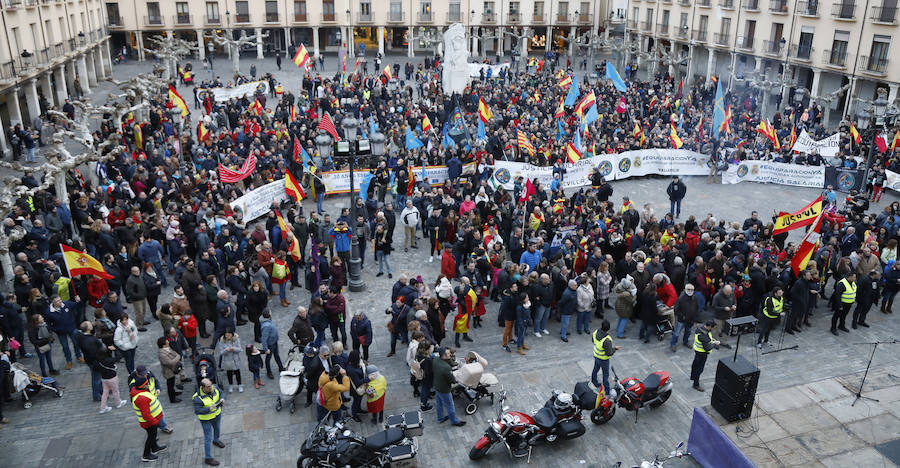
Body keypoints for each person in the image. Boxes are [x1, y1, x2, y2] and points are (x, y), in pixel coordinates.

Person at [130, 372, 167, 462]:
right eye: (146, 383)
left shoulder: (142, 392)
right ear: (143, 385)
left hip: (152, 420)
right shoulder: (141, 398)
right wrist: (155, 422)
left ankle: (154, 448)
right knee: (151, 437)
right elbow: (146, 415)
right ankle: (146, 455)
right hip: (150, 422)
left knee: (153, 436)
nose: (148, 384)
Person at [192, 378, 226, 466]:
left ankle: (216, 440)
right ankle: (208, 458)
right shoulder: (197, 398)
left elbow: (221, 392)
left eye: (211, 385)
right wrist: (208, 409)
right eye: (208, 386)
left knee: (217, 429)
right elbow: (197, 410)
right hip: (205, 419)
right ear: (202, 388)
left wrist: (222, 398)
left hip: (217, 415)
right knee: (207, 437)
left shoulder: (214, 387)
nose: (211, 388)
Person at [44, 295, 83, 369]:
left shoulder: (66, 304)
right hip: (61, 332)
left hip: (71, 328)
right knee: (65, 346)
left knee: (76, 343)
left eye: (60, 300)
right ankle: (69, 361)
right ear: (53, 302)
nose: (60, 302)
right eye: (58, 301)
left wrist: (78, 301)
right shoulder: (49, 312)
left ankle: (79, 356)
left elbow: (77, 305)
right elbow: (48, 324)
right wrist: (55, 329)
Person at [432, 347, 466, 426]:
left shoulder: (436, 359)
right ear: (443, 356)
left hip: (437, 385)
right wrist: (457, 380)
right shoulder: (446, 368)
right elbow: (452, 380)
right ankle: (454, 421)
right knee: (450, 405)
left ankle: (440, 418)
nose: (450, 354)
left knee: (439, 402)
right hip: (444, 389)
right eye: (448, 354)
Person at [96, 344, 128, 413]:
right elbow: (119, 356)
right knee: (115, 391)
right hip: (112, 378)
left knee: (105, 392)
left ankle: (103, 407)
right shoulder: (109, 360)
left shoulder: (98, 360)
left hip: (104, 378)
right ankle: (118, 403)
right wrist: (115, 349)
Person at [591, 320, 620, 395]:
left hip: (596, 356)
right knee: (605, 375)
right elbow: (609, 353)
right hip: (604, 360)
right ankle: (607, 391)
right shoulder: (607, 340)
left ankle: (594, 382)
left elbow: (593, 341)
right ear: (608, 329)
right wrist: (615, 349)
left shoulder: (595, 332)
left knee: (595, 369)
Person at [690, 320, 720, 392]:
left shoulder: (701, 329)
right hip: (701, 354)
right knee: (699, 369)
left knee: (695, 366)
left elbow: (707, 339)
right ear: (709, 326)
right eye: (712, 328)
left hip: (698, 352)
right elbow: (707, 348)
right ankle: (696, 384)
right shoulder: (703, 335)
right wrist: (715, 343)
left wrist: (711, 339)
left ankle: (693, 377)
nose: (712, 329)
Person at [672, 284, 699, 352]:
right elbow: (676, 310)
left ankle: (685, 342)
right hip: (682, 320)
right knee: (677, 333)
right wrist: (683, 316)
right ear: (685, 290)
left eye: (691, 290)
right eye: (688, 289)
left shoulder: (695, 298)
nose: (690, 291)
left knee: (688, 332)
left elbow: (696, 308)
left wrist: (694, 316)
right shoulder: (681, 298)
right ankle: (673, 344)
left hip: (690, 320)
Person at [157, 336, 184, 403]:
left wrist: (177, 357)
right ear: (163, 344)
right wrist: (177, 358)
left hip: (173, 369)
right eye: (167, 341)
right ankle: (172, 398)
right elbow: (169, 362)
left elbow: (176, 354)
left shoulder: (168, 348)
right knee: (170, 385)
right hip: (168, 372)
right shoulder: (162, 354)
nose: (168, 342)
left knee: (172, 383)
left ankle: (174, 392)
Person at [215, 329, 243, 393]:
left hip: (235, 359)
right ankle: (231, 385)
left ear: (232, 334)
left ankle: (239, 385)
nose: (228, 337)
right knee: (229, 373)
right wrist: (226, 350)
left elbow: (240, 349)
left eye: (229, 335)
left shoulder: (236, 339)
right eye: (226, 335)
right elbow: (221, 352)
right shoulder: (222, 340)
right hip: (228, 360)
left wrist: (234, 349)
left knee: (237, 372)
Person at [259, 310, 284, 379]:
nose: (271, 312)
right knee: (268, 358)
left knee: (277, 355)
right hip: (270, 344)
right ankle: (269, 372)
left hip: (274, 341)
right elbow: (264, 338)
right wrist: (266, 349)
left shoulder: (268, 320)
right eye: (270, 312)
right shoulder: (266, 326)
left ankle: (281, 367)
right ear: (268, 314)